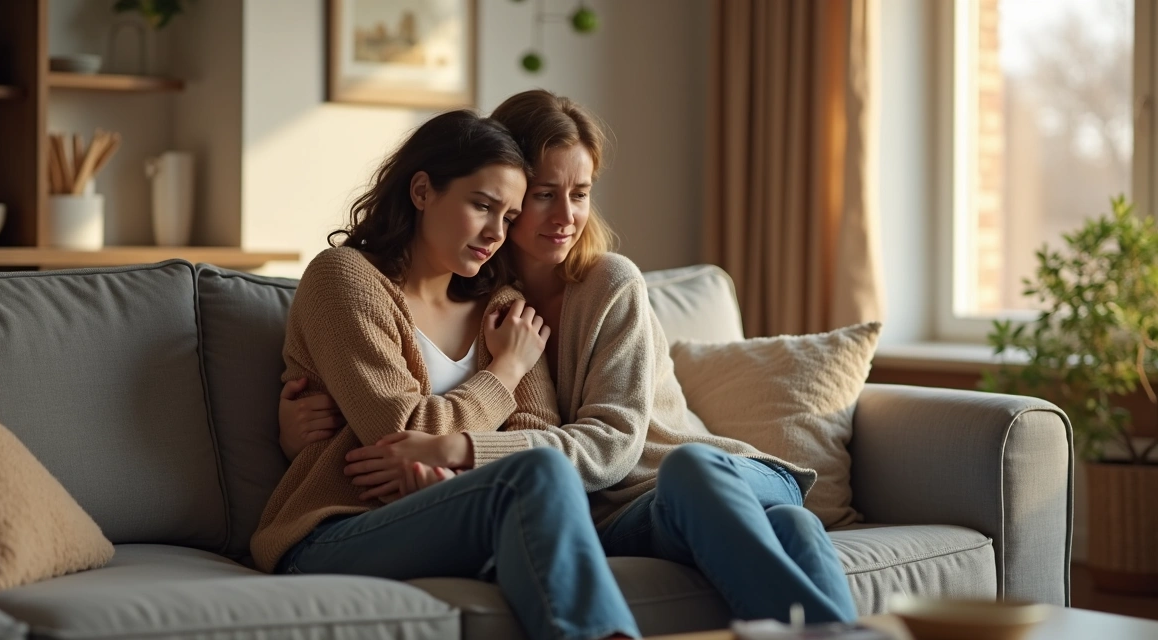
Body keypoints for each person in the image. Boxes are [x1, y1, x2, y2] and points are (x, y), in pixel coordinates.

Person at [280, 91, 858, 625]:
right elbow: (408, 431)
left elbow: (566, 436)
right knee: (792, 528)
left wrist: (454, 448)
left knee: (696, 473)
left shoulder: (572, 291)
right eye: (539, 197)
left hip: (695, 476)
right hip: (604, 513)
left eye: (579, 194)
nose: (564, 217)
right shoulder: (445, 294)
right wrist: (499, 376)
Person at [252, 109, 640, 640]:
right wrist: (503, 373)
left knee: (542, 470)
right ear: (421, 191)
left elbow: (538, 435)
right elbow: (402, 427)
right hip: (332, 529)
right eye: (481, 206)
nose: (495, 234)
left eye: (508, 217)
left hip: (452, 519)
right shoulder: (345, 279)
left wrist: (444, 467)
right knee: (538, 475)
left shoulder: (503, 307)